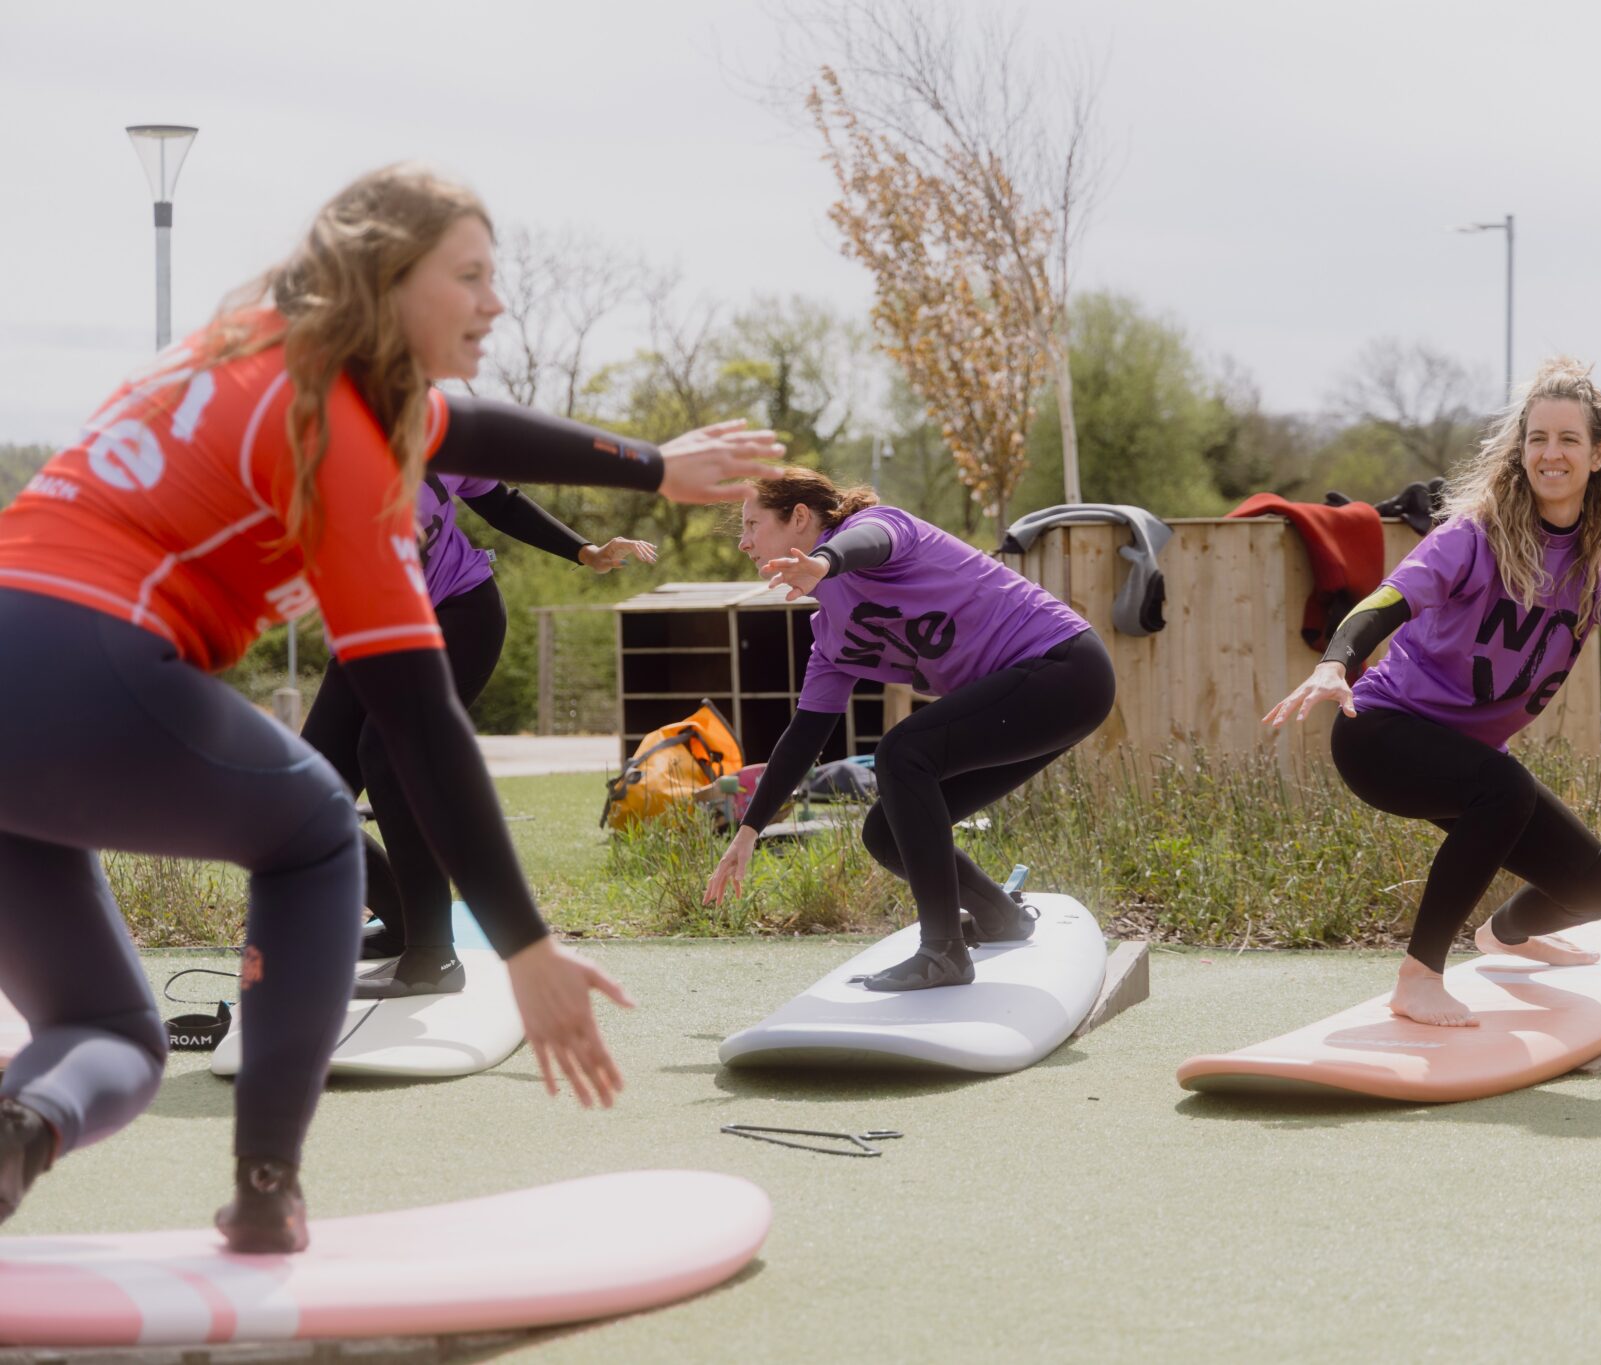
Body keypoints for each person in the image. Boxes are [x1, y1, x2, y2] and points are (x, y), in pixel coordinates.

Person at [0, 163, 783, 1250]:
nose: (494, 302)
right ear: (385, 278)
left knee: (110, 1040)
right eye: (468, 276)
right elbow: (419, 725)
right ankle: (267, 1189)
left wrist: (654, 468)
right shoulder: (343, 448)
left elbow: (465, 428)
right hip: (88, 656)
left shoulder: (241, 344)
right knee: (318, 827)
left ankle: (19, 1127)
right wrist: (524, 947)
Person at [1265, 358, 1601, 1027]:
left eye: (1569, 439)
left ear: (1599, 453)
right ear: (1520, 449)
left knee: (1597, 886)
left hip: (1465, 759)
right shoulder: (1473, 536)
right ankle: (1419, 976)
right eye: (1538, 437)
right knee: (1505, 789)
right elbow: (1387, 599)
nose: (1550, 453)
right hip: (1380, 733)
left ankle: (1509, 932)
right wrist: (1336, 662)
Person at [702, 471, 1116, 991]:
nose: (743, 541)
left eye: (752, 524)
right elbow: (805, 735)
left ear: (800, 517)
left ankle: (942, 952)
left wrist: (824, 562)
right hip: (1038, 698)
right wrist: (749, 831)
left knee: (903, 752)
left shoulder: (880, 526)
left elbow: (867, 543)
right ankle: (999, 917)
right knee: (885, 831)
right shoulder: (831, 634)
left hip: (1065, 668)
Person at [304, 461, 656, 997]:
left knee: (390, 754)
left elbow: (499, 498)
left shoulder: (430, 430)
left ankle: (432, 957)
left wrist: (584, 551)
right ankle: (402, 928)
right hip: (369, 630)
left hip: (457, 615)